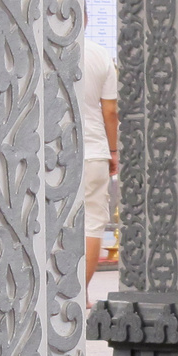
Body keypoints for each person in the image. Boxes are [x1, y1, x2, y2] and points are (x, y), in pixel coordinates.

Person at [80, 34, 118, 306]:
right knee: (92, 223)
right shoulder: (100, 55)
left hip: (51, 151)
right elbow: (110, 111)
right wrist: (113, 150)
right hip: (93, 151)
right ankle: (80, 292)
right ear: (86, 18)